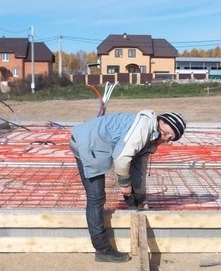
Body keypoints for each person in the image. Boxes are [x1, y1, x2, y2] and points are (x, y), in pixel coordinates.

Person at [70, 110, 186, 263]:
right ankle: (102, 250)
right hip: (87, 143)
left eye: (171, 138)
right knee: (96, 198)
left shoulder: (151, 138)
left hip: (95, 143)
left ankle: (130, 210)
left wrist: (141, 200)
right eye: (168, 132)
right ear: (162, 121)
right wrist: (125, 185)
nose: (167, 138)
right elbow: (121, 158)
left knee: (107, 194)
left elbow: (138, 172)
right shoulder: (143, 129)